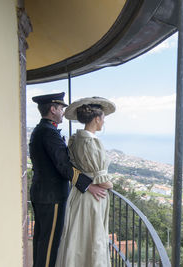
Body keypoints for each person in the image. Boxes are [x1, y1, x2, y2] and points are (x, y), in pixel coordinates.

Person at [29, 92, 107, 267]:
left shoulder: (41, 129)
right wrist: (89, 186)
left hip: (42, 193)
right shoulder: (49, 132)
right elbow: (63, 165)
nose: (63, 112)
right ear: (52, 109)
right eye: (61, 108)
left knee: (41, 241)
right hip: (52, 196)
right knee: (49, 244)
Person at [55, 96, 116, 267]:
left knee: (78, 239)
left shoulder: (76, 140)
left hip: (80, 195)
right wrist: (111, 185)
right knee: (92, 239)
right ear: (97, 119)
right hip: (92, 200)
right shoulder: (91, 142)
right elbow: (102, 179)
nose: (103, 123)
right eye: (103, 119)